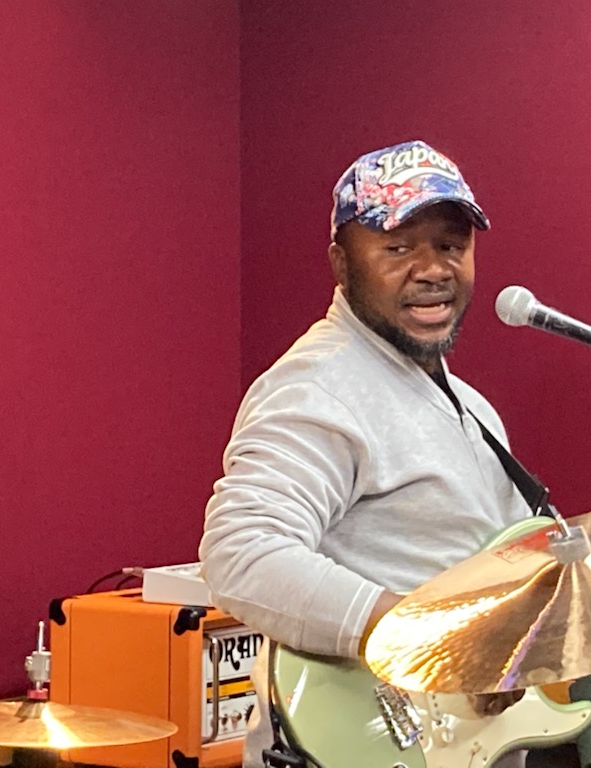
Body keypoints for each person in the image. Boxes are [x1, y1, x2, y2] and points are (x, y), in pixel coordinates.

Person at [199, 140, 529, 768]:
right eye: (398, 248)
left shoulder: (474, 410)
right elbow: (241, 552)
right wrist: (419, 634)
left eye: (451, 245)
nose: (433, 270)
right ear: (341, 264)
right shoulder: (318, 387)